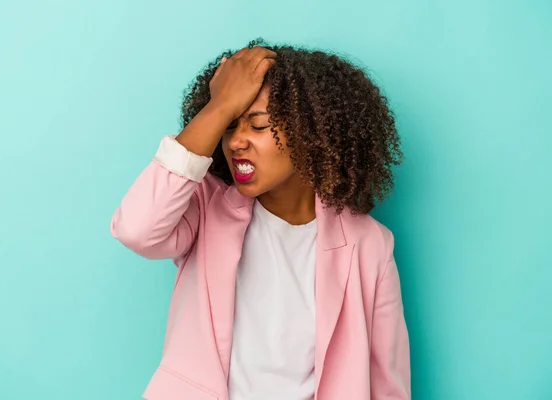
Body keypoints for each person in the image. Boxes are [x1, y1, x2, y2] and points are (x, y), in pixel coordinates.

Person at [110, 38, 411, 400]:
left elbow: (387, 384)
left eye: (257, 124)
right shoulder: (204, 208)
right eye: (229, 125)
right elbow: (136, 229)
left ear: (311, 135)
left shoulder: (370, 245)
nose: (236, 142)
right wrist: (219, 106)